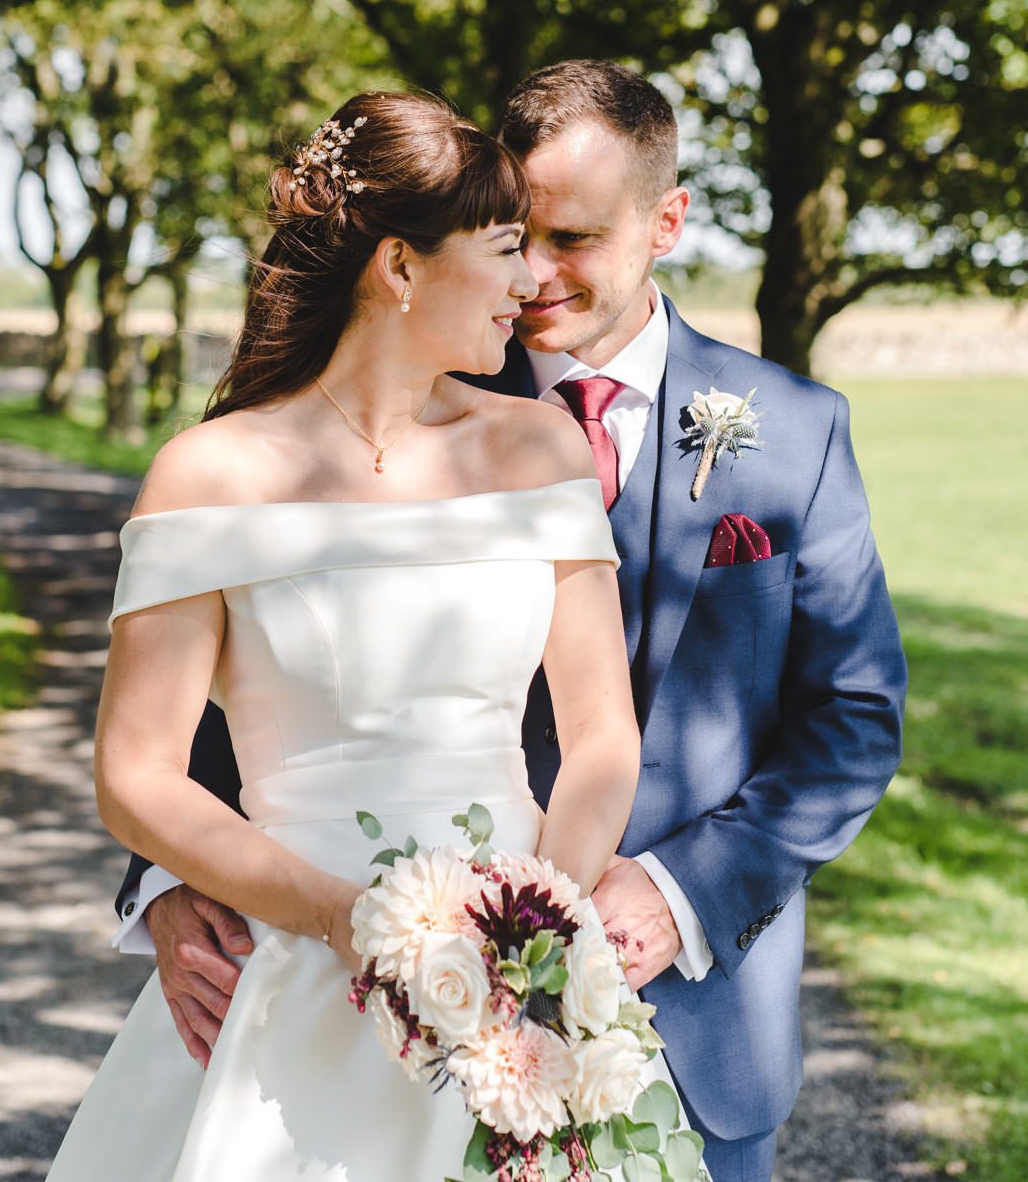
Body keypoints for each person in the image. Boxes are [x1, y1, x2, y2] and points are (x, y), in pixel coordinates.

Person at [118, 62, 908, 1182]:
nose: (532, 273)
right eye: (511, 233)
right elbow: (246, 685)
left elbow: (853, 722)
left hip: (690, 1014)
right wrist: (168, 879)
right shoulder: (300, 443)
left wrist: (672, 895)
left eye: (573, 237)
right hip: (337, 988)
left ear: (666, 220)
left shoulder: (792, 432)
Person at [47, 91, 679, 1181]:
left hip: (517, 987)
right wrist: (358, 927)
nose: (531, 281)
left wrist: (530, 935)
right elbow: (133, 773)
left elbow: (600, 738)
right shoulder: (210, 476)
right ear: (398, 266)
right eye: (502, 248)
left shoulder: (540, 452)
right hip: (293, 969)